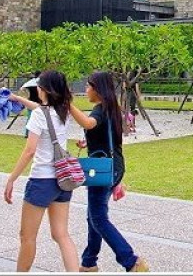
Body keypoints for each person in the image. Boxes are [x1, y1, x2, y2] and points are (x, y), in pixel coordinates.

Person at [69, 71, 149, 272]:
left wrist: (67, 104)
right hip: (114, 166)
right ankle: (89, 262)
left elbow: (89, 123)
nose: (86, 89)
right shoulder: (111, 107)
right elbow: (105, 134)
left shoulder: (100, 109)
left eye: (88, 86)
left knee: (98, 218)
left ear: (97, 89)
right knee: (94, 216)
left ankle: (131, 261)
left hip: (103, 170)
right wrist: (88, 142)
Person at [3, 70, 79, 272]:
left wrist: (11, 178)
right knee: (62, 235)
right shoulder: (64, 111)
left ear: (44, 89)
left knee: (27, 237)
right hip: (63, 179)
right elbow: (41, 109)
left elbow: (29, 151)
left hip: (42, 181)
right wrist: (18, 99)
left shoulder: (39, 115)